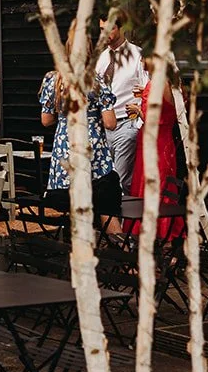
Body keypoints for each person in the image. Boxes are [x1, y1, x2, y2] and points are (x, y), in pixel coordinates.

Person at [40, 24, 118, 204]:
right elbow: (110, 123)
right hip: (92, 147)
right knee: (103, 200)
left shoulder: (54, 80)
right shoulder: (97, 82)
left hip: (64, 146)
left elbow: (46, 120)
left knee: (68, 201)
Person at [127, 58, 184, 241]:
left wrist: (138, 109)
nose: (142, 60)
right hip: (160, 140)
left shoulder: (158, 83)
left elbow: (154, 117)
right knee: (154, 185)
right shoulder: (168, 83)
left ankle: (155, 235)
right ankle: (159, 234)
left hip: (155, 142)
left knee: (154, 185)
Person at [96, 14, 148, 189]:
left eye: (109, 28)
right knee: (103, 180)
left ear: (121, 28)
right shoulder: (101, 58)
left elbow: (148, 89)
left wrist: (137, 124)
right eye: (102, 29)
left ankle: (123, 216)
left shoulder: (137, 56)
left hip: (126, 124)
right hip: (103, 127)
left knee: (120, 180)